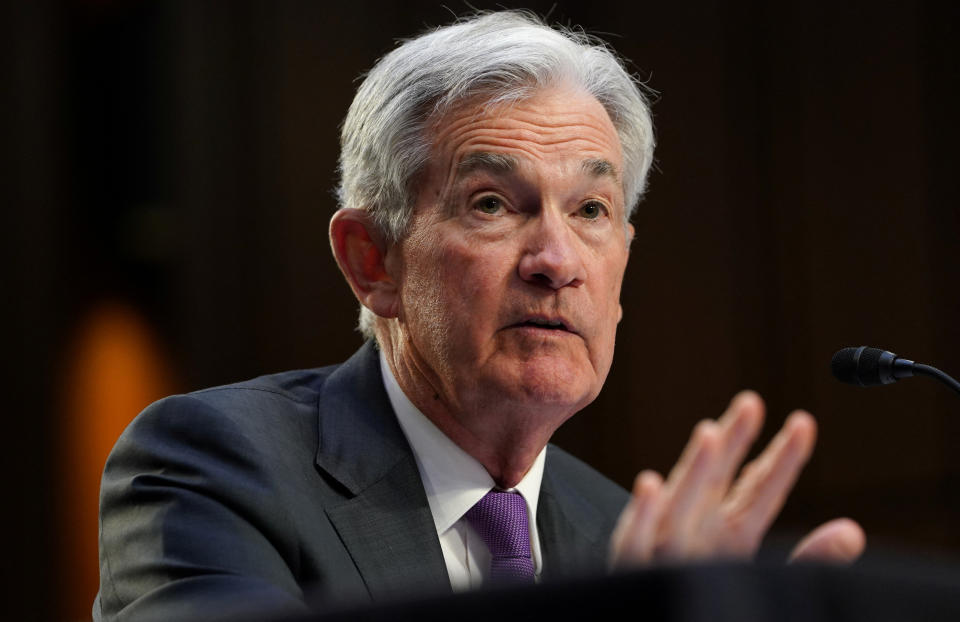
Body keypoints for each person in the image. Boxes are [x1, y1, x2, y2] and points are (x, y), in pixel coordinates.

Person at [94, 10, 865, 622]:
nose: (557, 260)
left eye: (591, 210)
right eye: (492, 203)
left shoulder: (625, 539)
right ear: (373, 260)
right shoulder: (214, 469)